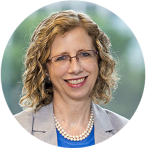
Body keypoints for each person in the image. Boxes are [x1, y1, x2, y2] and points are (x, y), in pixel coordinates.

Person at [13, 10, 130, 147]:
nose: (75, 68)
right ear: (45, 69)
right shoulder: (23, 126)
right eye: (62, 58)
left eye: (85, 54)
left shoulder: (121, 127)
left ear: (99, 60)